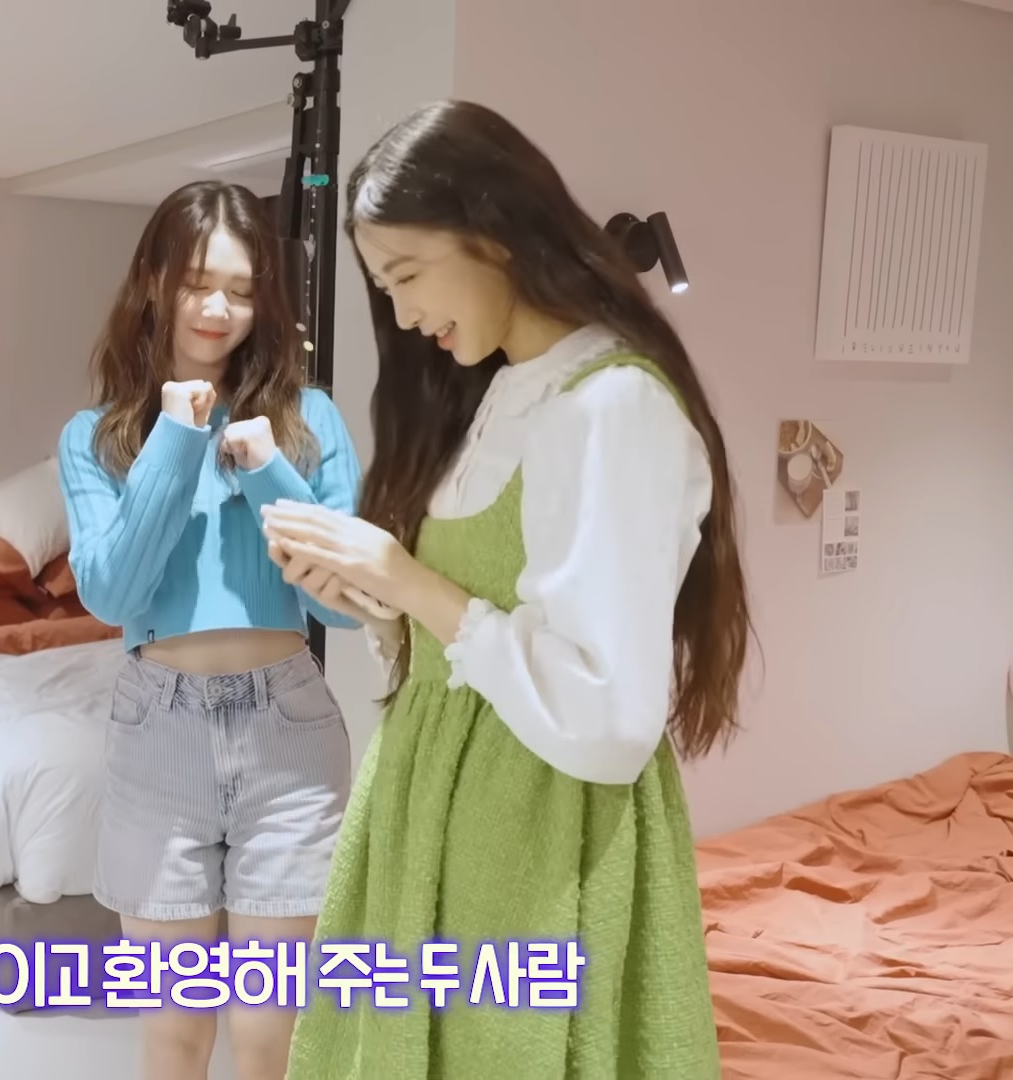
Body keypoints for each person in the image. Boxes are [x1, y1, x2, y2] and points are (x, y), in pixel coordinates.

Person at [260, 100, 747, 1077]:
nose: (403, 316)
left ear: (494, 231)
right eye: (384, 288)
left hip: (535, 835)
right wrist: (380, 599)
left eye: (406, 275)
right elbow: (470, 632)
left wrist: (408, 579)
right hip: (435, 814)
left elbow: (608, 720)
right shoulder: (494, 394)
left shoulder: (611, 406)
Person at [56, 179, 365, 1080]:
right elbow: (112, 592)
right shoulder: (96, 437)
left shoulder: (310, 420)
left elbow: (344, 604)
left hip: (290, 736)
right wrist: (174, 440)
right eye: (197, 283)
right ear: (154, 281)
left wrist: (267, 467)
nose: (218, 309)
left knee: (271, 1035)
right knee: (176, 1031)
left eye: (239, 289)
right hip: (159, 735)